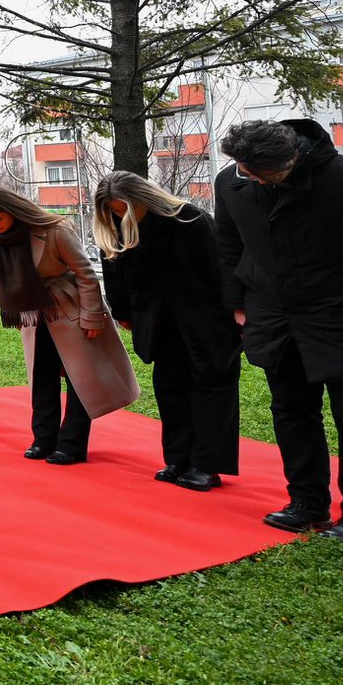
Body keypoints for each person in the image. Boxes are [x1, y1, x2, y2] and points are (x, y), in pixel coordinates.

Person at [214, 118, 343, 545]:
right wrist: (237, 303)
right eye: (244, 170)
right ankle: (307, 503)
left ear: (291, 158)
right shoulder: (233, 181)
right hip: (275, 318)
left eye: (261, 173)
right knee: (291, 411)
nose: (252, 179)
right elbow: (229, 244)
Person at [92, 171, 242, 490]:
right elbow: (114, 273)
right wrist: (123, 312)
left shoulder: (189, 219)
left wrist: (234, 311)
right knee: (170, 387)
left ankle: (207, 465)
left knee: (211, 388)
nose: (120, 215)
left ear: (142, 198)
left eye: (124, 208)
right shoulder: (117, 228)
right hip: (160, 323)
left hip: (206, 320)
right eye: (114, 211)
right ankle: (179, 458)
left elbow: (221, 269)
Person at [0, 186, 138, 464]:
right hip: (31, 310)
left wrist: (92, 316)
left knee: (80, 377)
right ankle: (43, 439)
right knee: (41, 374)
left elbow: (85, 274)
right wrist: (14, 304)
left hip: (68, 306)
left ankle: (72, 444)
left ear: (13, 211)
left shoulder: (55, 229)